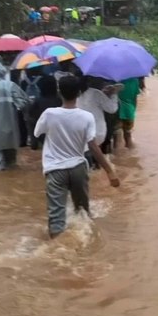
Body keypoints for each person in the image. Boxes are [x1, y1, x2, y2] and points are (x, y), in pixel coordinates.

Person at [33, 77, 119, 238]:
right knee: (83, 212)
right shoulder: (86, 117)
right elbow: (93, 147)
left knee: (56, 217)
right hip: (78, 167)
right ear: (79, 93)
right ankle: (87, 244)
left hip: (55, 169)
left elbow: (37, 133)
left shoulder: (49, 114)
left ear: (59, 92)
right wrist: (110, 171)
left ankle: (57, 251)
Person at [76, 76, 122, 169]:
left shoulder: (76, 93)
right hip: (97, 132)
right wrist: (113, 94)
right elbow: (112, 109)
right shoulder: (96, 93)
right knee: (97, 158)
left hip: (80, 132)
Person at [27, 74, 62, 150]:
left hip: (43, 133)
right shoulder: (59, 100)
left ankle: (34, 142)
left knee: (30, 119)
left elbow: (30, 114)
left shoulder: (39, 101)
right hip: (58, 132)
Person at [117, 76, 143, 149]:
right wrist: (133, 111)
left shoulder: (115, 80)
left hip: (117, 111)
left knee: (116, 136)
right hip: (129, 111)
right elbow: (135, 98)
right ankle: (130, 152)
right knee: (128, 135)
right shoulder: (135, 80)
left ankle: (117, 156)